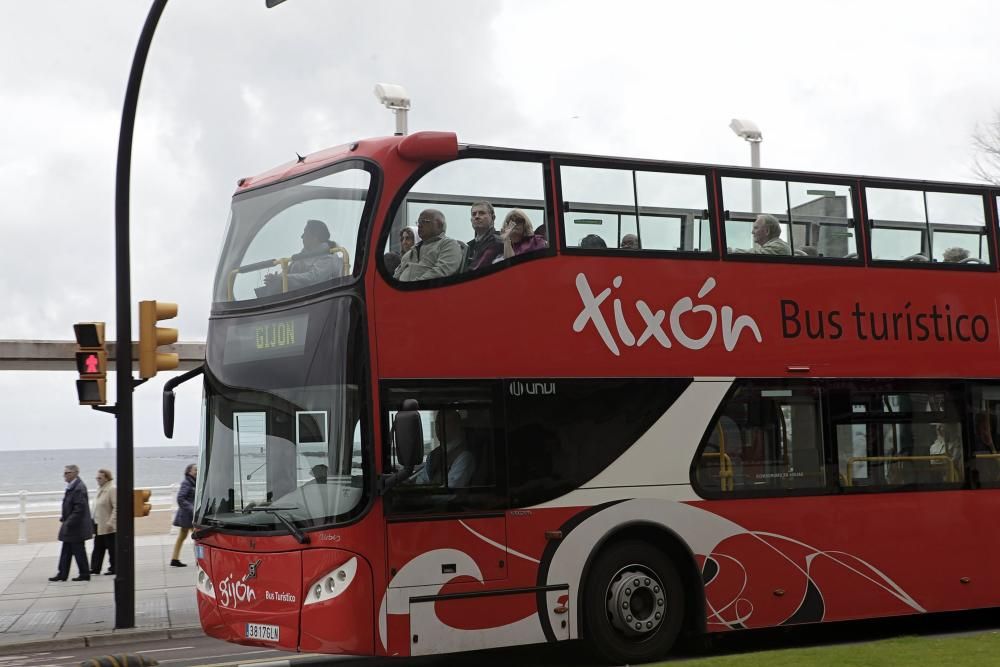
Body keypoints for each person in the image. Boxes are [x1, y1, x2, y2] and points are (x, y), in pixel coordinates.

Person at [260, 219, 343, 294]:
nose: (302, 236)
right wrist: (274, 279)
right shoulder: (300, 257)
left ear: (315, 237)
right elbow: (285, 273)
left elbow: (314, 278)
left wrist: (284, 278)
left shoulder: (330, 257)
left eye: (305, 233)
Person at [49, 464, 93, 582]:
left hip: (76, 527)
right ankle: (62, 574)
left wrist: (68, 522)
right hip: (71, 525)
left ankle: (84, 574)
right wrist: (64, 517)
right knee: (66, 550)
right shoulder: (72, 486)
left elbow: (79, 509)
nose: (64, 475)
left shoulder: (79, 487)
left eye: (66, 473)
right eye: (64, 473)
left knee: (78, 551)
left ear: (74, 473)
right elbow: (70, 505)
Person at [410, 410, 476, 487]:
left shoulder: (465, 456)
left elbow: (450, 491)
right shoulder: (433, 455)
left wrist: (425, 493)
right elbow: (422, 480)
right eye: (437, 423)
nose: (439, 427)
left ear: (457, 426)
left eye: (445, 423)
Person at [394, 209, 463, 281]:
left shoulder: (448, 244)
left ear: (439, 224)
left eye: (424, 221)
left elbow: (441, 272)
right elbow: (397, 275)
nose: (419, 225)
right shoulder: (414, 248)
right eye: (419, 222)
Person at [461, 202, 503, 272]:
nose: (477, 217)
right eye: (474, 214)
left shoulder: (501, 240)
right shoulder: (467, 246)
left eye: (481, 213)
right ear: (471, 220)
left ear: (493, 218)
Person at [90, 468, 116, 576]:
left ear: (107, 478)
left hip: (108, 524)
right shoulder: (100, 489)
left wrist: (111, 522)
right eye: (97, 478)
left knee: (112, 547)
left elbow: (117, 507)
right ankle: (95, 568)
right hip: (98, 523)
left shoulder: (111, 489)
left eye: (100, 478)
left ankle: (114, 568)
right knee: (98, 547)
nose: (97, 480)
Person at [170, 464, 197, 567]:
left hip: (187, 516)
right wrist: (192, 508)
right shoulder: (187, 483)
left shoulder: (193, 482)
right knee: (198, 538)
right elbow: (180, 498)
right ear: (189, 472)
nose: (197, 471)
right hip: (187, 516)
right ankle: (200, 560)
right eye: (195, 470)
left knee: (182, 536)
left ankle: (174, 559)